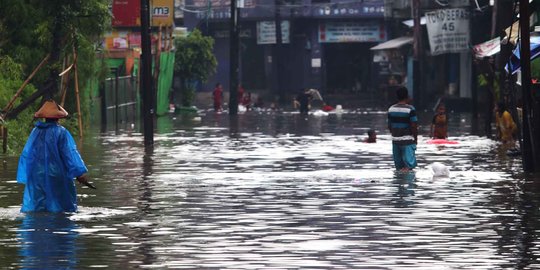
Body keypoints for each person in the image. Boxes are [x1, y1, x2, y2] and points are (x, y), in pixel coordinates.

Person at [17, 99, 91, 213]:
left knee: (38, 207)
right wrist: (79, 173)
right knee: (60, 207)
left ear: (45, 118)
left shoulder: (35, 131)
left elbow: (28, 154)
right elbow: (69, 154)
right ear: (58, 118)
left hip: (38, 175)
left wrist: (29, 173)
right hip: (56, 173)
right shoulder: (61, 132)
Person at [388, 87, 418, 172]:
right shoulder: (410, 109)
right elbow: (414, 126)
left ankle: (399, 184)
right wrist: (415, 139)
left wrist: (395, 135)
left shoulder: (391, 109)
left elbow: (390, 126)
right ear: (407, 96)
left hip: (395, 140)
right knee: (409, 168)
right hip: (407, 141)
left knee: (399, 168)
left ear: (397, 97)